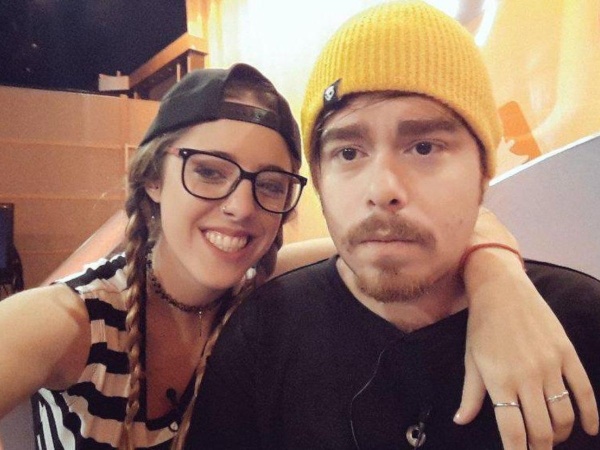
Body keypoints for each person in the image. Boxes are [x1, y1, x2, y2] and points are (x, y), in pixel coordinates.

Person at [0, 55, 592, 450]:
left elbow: (400, 239)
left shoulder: (254, 287)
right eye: (208, 172)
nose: (240, 207)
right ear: (153, 177)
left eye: (269, 184)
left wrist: (497, 277)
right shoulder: (67, 321)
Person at [184, 2, 600, 449]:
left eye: (424, 147)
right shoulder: (265, 333)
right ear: (318, 179)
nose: (383, 189)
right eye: (348, 153)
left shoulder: (582, 322)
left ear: (483, 170)